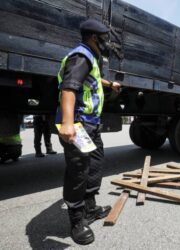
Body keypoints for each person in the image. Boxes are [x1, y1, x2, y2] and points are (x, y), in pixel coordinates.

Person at [56, 19, 121, 245]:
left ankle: (90, 208)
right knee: (78, 171)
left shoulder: (89, 58)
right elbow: (69, 87)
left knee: (94, 163)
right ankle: (76, 220)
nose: (107, 42)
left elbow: (89, 79)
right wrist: (67, 123)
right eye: (104, 38)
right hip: (78, 124)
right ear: (95, 38)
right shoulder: (80, 56)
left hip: (90, 124)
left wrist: (108, 84)